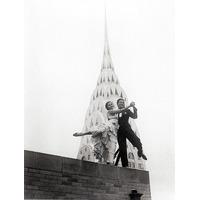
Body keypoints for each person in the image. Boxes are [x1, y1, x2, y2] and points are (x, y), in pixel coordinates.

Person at [116, 98, 147, 167]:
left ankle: (140, 151)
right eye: (120, 102)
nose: (122, 103)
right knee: (122, 148)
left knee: (136, 140)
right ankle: (125, 165)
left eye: (123, 102)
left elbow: (135, 116)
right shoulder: (116, 112)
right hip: (120, 131)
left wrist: (134, 108)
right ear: (117, 104)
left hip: (127, 128)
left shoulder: (127, 110)